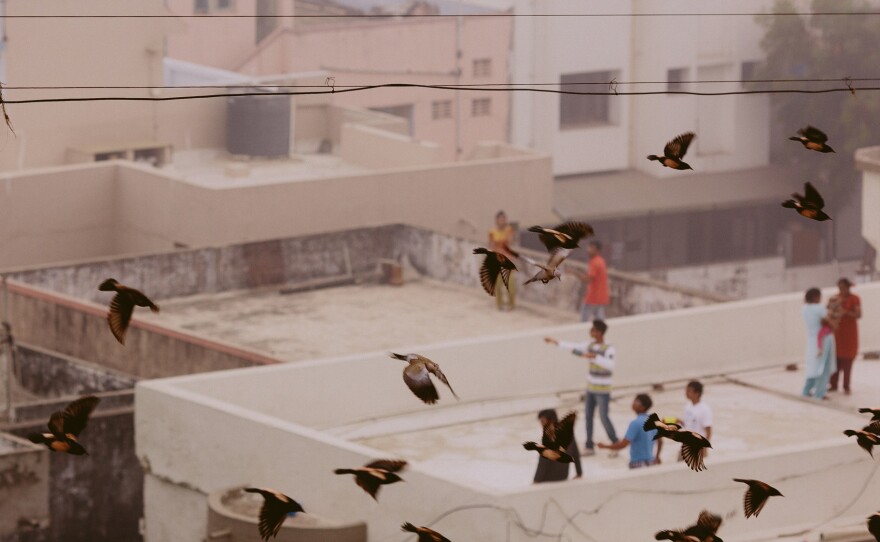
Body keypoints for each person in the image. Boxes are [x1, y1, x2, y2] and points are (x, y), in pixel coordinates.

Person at [544, 320, 619, 456]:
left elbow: (610, 365)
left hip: (603, 391)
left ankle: (615, 443)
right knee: (588, 417)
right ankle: (589, 446)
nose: (591, 332)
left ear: (600, 332)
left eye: (593, 330)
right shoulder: (589, 345)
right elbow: (574, 347)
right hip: (590, 389)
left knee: (603, 417)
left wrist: (595, 357)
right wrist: (556, 342)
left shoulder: (609, 348)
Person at [597, 394, 657, 469]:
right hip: (651, 461)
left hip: (638, 463)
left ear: (642, 407)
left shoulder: (635, 423)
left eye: (636, 401)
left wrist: (605, 446)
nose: (633, 403)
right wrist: (657, 457)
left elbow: (623, 444)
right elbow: (660, 441)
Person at [801, 287, 837, 400]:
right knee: (824, 366)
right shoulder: (819, 308)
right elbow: (830, 323)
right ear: (816, 297)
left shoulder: (804, 309)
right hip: (824, 339)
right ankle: (820, 392)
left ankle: (806, 390)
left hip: (812, 339)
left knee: (813, 366)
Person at [829, 278, 861, 395]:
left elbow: (858, 314)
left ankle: (846, 385)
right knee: (836, 359)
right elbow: (829, 313)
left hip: (850, 332)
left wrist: (845, 312)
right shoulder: (835, 298)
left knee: (848, 359)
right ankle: (833, 384)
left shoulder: (854, 298)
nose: (841, 290)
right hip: (838, 332)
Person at [532, 409, 583, 483]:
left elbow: (543, 463)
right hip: (563, 475)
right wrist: (579, 473)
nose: (541, 424)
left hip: (548, 478)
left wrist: (536, 481)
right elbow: (576, 454)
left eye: (543, 421)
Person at [488, 210, 517, 311]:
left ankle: (511, 305)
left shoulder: (509, 230)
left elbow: (511, 242)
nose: (502, 221)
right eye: (501, 219)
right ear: (497, 220)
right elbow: (491, 246)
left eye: (504, 219)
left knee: (511, 286)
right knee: (498, 286)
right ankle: (499, 305)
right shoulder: (492, 232)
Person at [578, 241, 610, 322]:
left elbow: (588, 279)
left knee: (585, 319)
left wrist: (574, 273)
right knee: (599, 319)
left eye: (591, 248)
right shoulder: (601, 261)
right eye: (589, 247)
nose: (588, 250)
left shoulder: (595, 262)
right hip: (600, 296)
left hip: (594, 296)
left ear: (597, 250)